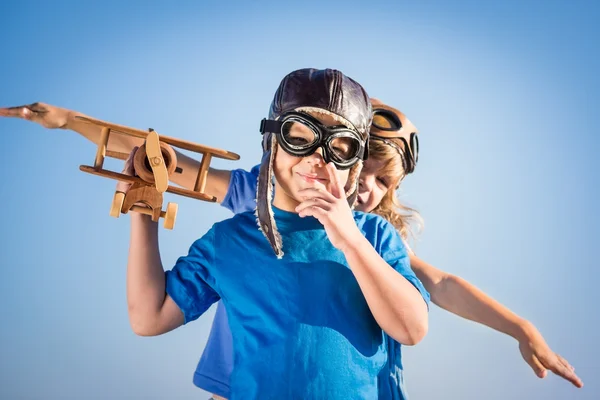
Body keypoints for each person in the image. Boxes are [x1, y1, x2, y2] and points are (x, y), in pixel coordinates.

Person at [0, 95, 583, 393]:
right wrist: (72, 121)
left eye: (385, 184)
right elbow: (171, 168)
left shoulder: (373, 239)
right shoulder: (264, 197)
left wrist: (522, 330)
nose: (369, 191)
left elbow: (440, 287)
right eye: (365, 173)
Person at [124, 68, 429, 399]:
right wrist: (143, 210)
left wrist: (350, 239)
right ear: (272, 141)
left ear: (353, 166)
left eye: (339, 148)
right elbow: (149, 317)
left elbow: (411, 329)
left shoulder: (374, 236)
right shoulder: (228, 240)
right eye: (298, 138)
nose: (317, 158)